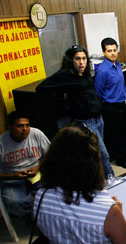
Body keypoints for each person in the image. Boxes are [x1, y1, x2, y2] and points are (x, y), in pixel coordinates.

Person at [36, 45, 114, 179]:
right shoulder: (66, 74)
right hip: (86, 122)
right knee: (102, 155)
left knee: (99, 155)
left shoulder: (84, 73)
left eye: (84, 58)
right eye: (78, 59)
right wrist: (62, 97)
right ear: (71, 60)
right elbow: (41, 88)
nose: (81, 62)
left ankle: (102, 180)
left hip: (98, 118)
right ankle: (111, 182)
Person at [0, 111, 49, 217]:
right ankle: (33, 215)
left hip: (37, 175)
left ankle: (39, 212)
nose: (25, 129)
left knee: (51, 193)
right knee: (14, 203)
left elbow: (49, 154)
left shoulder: (36, 134)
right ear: (10, 127)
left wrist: (37, 167)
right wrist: (11, 176)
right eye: (20, 126)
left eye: (27, 125)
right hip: (12, 179)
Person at [94, 37, 126, 170]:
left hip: (121, 104)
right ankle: (121, 160)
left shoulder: (117, 64)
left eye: (114, 50)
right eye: (109, 51)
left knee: (124, 132)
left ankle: (125, 154)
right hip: (110, 106)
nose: (113, 53)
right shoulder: (102, 70)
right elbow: (98, 91)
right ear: (103, 52)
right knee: (116, 134)